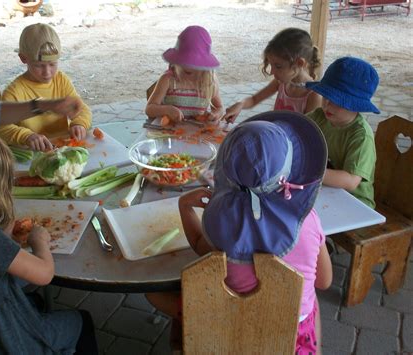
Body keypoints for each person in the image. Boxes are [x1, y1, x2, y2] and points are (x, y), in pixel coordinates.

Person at [147, 111, 333, 354]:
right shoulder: (308, 220)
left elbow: (199, 246)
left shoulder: (221, 226)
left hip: (230, 331)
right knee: (310, 300)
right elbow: (324, 281)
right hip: (291, 339)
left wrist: (185, 206)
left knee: (153, 293)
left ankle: (182, 341)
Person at [0, 119, 98, 354]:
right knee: (80, 320)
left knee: (33, 302)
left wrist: (4, 234)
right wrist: (39, 242)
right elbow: (44, 274)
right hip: (8, 343)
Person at [0, 23, 92, 151]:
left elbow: (81, 108)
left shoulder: (61, 80)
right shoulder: (15, 91)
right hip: (32, 154)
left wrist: (79, 124)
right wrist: (26, 136)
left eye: (52, 64)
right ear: (24, 58)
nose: (47, 72)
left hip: (63, 147)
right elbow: (1, 127)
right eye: (39, 65)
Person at [305, 56, 379, 208]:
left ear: (356, 105)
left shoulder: (361, 136)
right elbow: (295, 128)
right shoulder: (319, 116)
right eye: (326, 97)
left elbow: (350, 181)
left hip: (356, 204)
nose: (327, 105)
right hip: (325, 192)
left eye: (338, 101)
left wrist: (306, 170)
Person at [223, 28, 322, 123]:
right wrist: (240, 104)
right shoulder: (281, 83)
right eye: (271, 65)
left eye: (278, 66)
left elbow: (308, 133)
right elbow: (254, 99)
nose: (271, 72)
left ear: (300, 63)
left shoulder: (314, 95)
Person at [145, 25, 224, 123]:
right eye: (184, 63)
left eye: (195, 65)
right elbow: (149, 109)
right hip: (169, 132)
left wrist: (216, 114)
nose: (189, 67)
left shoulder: (209, 83)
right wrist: (167, 109)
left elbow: (220, 108)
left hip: (197, 133)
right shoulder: (168, 80)